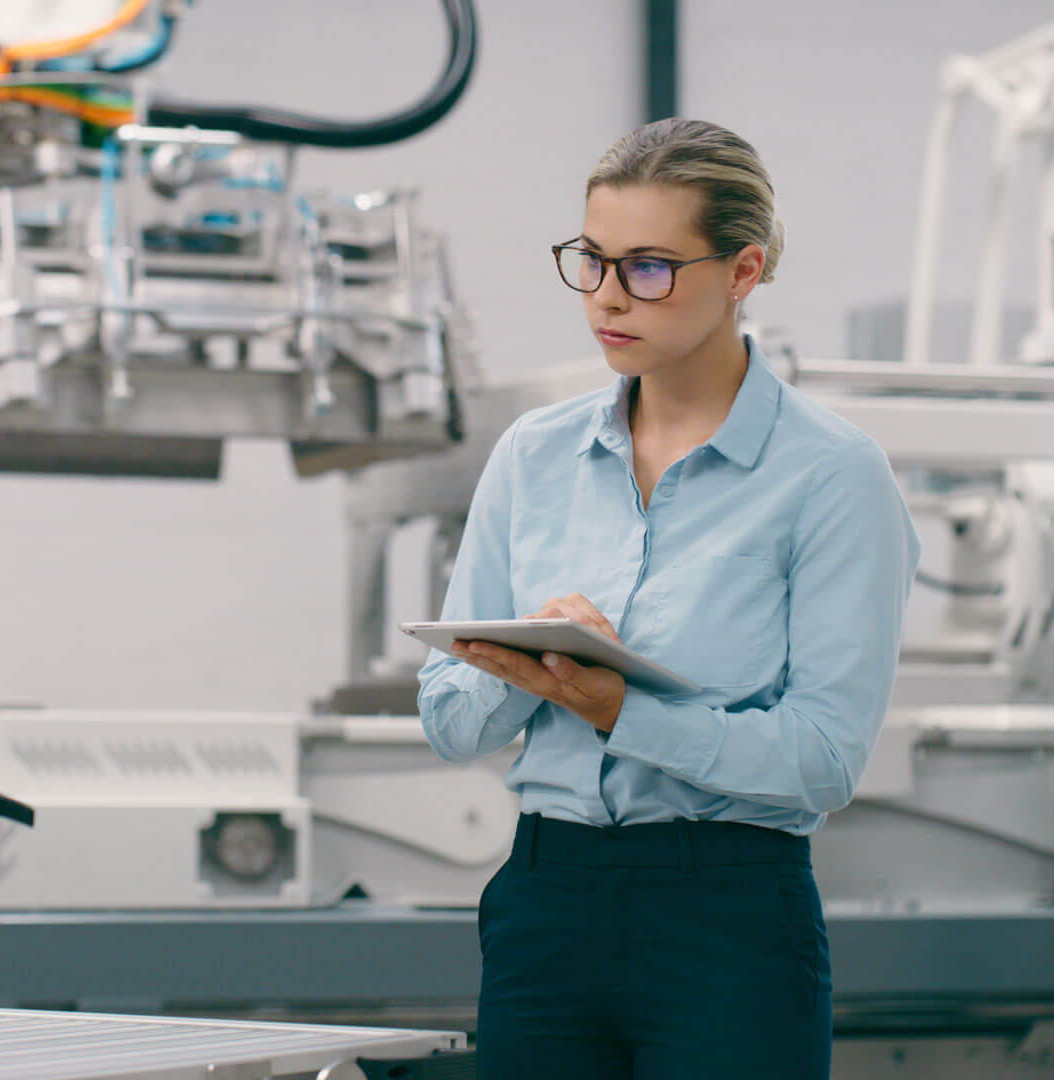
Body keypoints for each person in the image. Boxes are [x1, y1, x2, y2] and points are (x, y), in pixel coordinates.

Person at [417, 117, 921, 1078]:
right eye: (592, 261)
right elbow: (448, 722)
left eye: (649, 268)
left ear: (743, 272)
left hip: (725, 918)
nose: (608, 297)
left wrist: (618, 709)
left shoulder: (831, 477)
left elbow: (822, 760)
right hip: (544, 903)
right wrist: (528, 671)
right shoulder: (534, 455)